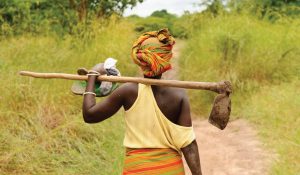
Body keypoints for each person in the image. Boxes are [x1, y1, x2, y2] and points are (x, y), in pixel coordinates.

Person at [82, 29, 202, 174]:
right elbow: (189, 145)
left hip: (137, 169)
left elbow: (89, 115)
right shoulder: (179, 94)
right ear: (166, 59)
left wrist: (92, 77)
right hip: (170, 169)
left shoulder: (127, 91)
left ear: (139, 60)